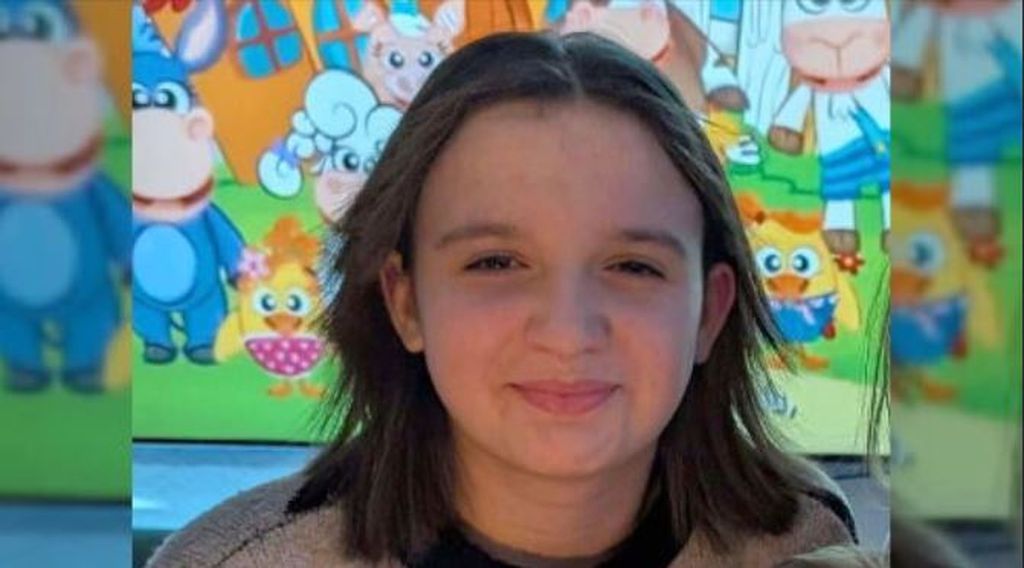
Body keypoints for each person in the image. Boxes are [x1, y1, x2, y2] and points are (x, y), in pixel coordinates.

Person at [146, 31, 857, 567]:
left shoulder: (806, 548)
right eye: (495, 262)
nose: (568, 331)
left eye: (633, 267)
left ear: (710, 310)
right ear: (405, 303)